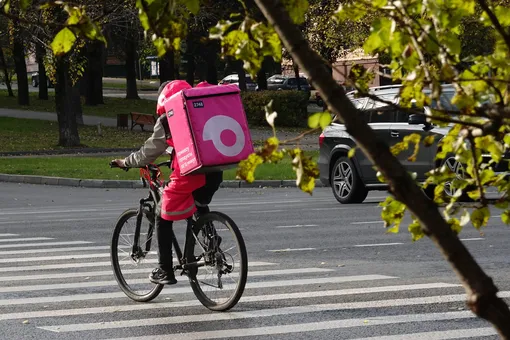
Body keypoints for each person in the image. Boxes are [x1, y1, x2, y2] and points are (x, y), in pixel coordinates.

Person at [111, 80, 222, 285]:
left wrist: (127, 161)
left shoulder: (168, 117)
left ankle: (165, 270)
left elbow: (151, 150)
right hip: (215, 170)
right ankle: (211, 242)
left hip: (190, 173)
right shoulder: (197, 109)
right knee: (197, 204)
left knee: (162, 216)